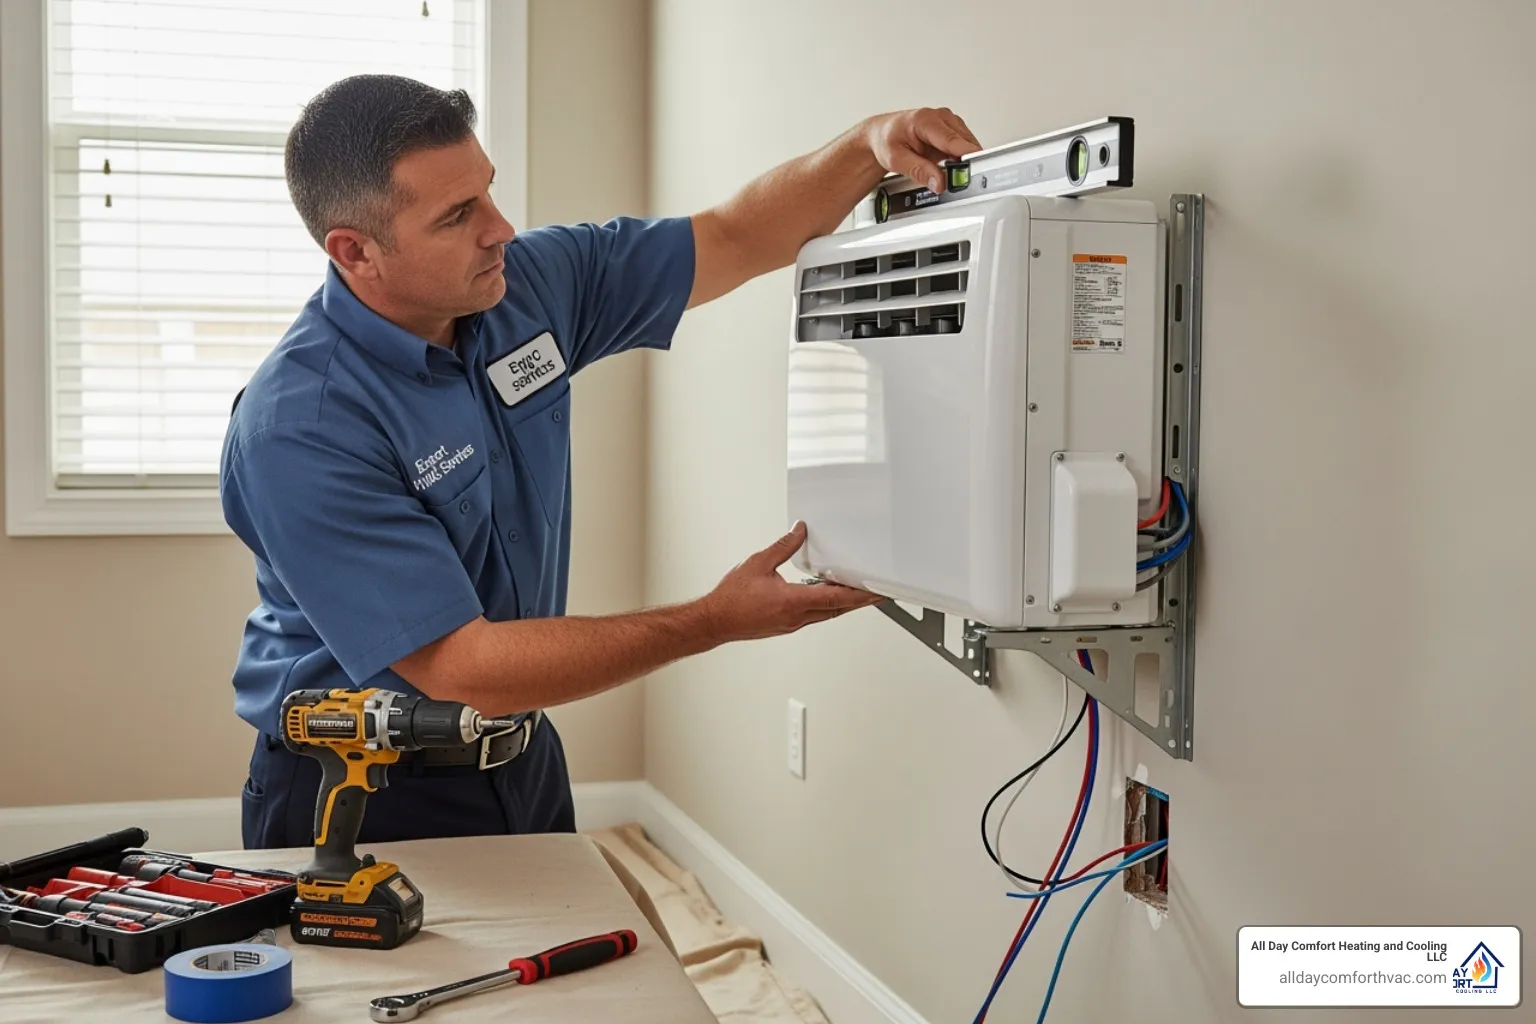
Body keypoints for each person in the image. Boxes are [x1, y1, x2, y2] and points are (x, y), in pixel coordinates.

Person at [221, 74, 981, 851]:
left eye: (487, 191)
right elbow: (463, 665)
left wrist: (866, 145)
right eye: (457, 216)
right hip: (363, 792)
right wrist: (711, 622)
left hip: (522, 758)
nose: (501, 228)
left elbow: (733, 236)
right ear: (355, 251)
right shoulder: (300, 426)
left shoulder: (522, 288)